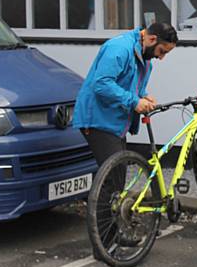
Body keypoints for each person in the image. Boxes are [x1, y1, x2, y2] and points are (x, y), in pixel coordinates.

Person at [73, 22, 178, 166]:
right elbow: (102, 83)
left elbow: (128, 84)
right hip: (98, 120)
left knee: (116, 178)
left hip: (115, 122)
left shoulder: (143, 55)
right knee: (113, 180)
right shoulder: (119, 48)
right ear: (152, 39)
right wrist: (134, 101)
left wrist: (143, 96)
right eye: (162, 51)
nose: (161, 58)